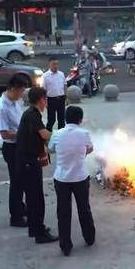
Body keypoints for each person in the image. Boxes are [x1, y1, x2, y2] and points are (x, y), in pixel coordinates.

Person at [48, 106, 95, 256]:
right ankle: (89, 237)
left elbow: (50, 149)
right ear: (80, 120)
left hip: (61, 178)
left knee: (63, 211)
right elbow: (90, 149)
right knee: (84, 209)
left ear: (66, 118)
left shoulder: (57, 134)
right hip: (80, 177)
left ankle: (65, 245)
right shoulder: (84, 133)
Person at [16, 87, 58, 244]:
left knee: (35, 198)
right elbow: (45, 134)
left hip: (28, 161)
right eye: (46, 99)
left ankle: (37, 227)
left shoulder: (31, 114)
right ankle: (39, 233)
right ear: (41, 100)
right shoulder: (32, 115)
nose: (46, 102)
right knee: (36, 199)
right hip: (28, 164)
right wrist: (62, 136)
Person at [0, 74, 27, 228]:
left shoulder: (15, 102)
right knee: (17, 182)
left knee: (21, 180)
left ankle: (20, 208)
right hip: (11, 147)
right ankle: (16, 217)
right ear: (13, 89)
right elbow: (5, 133)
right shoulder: (1, 108)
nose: (22, 95)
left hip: (19, 145)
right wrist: (24, 133)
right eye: (21, 91)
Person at [41, 57, 66, 130]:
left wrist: (66, 97)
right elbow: (43, 90)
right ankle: (47, 136)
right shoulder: (45, 76)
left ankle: (61, 136)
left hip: (61, 99)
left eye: (57, 64)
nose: (56, 66)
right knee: (51, 120)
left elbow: (64, 85)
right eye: (54, 64)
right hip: (51, 100)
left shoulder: (61, 74)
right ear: (50, 64)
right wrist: (44, 102)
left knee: (61, 120)